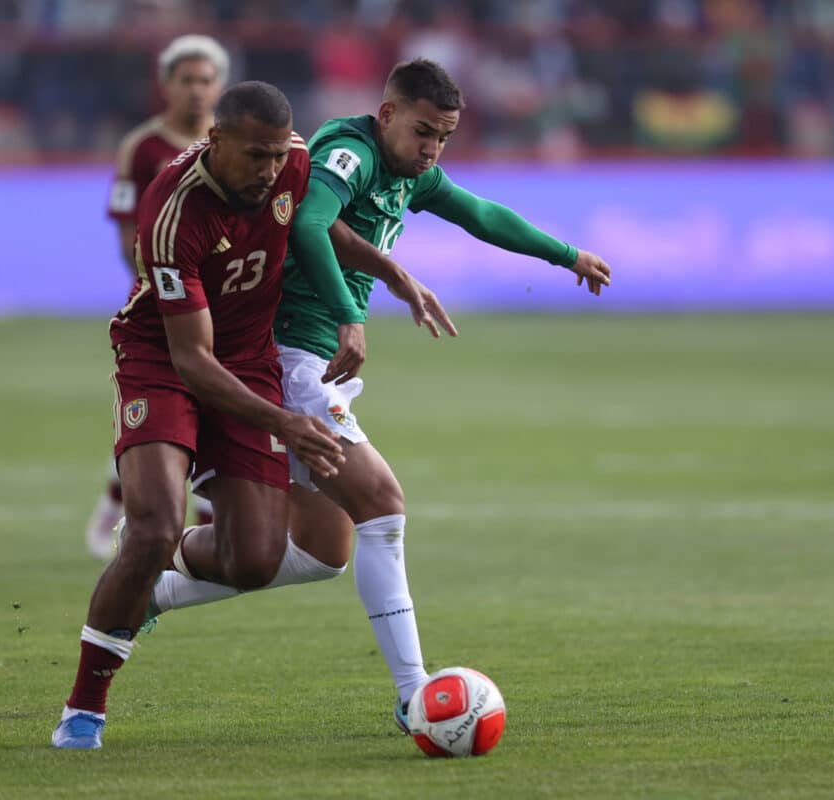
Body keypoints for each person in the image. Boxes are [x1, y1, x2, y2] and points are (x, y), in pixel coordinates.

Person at [140, 59, 611, 733]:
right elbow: (308, 222)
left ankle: (155, 587)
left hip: (310, 363)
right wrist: (349, 313)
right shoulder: (349, 152)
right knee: (382, 504)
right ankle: (414, 695)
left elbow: (478, 212)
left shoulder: (406, 172)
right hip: (288, 357)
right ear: (387, 114)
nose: (432, 150)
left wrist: (565, 255)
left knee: (323, 552)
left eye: (444, 138)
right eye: (423, 132)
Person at [51, 80, 440, 750]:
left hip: (249, 361)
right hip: (164, 363)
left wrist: (392, 273)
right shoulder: (172, 213)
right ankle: (85, 708)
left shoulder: (291, 160)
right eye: (254, 156)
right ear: (216, 141)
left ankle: (148, 578)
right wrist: (288, 423)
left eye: (274, 156)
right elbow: (194, 360)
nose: (268, 171)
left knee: (257, 559)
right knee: (153, 524)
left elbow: (321, 226)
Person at [84, 34, 229, 560]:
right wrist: (169, 289)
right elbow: (128, 235)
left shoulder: (232, 143)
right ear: (167, 84)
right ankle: (115, 502)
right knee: (162, 413)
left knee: (215, 408)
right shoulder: (142, 148)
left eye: (206, 80)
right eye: (186, 79)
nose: (196, 90)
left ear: (220, 86)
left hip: (226, 305)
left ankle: (212, 527)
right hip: (161, 305)